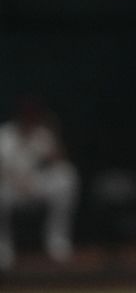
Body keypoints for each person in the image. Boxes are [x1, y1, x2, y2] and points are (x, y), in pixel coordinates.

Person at [0, 98, 80, 270]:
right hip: (11, 186)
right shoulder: (5, 134)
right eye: (26, 115)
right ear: (18, 116)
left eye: (33, 116)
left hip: (36, 185)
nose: (29, 119)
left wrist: (53, 131)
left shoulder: (42, 133)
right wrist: (16, 181)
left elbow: (59, 160)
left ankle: (57, 242)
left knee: (66, 176)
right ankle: (3, 248)